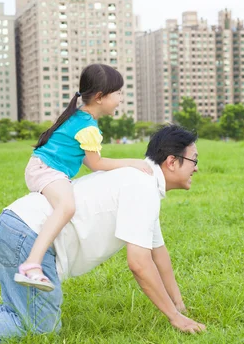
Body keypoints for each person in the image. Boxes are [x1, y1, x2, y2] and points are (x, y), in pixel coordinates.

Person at [0, 125, 205, 344]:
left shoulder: (139, 182)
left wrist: (179, 305)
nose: (196, 168)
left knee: (20, 316)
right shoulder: (143, 187)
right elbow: (139, 263)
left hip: (17, 224)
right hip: (30, 234)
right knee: (38, 330)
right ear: (172, 161)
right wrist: (174, 319)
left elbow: (157, 254)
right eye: (194, 160)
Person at [19, 64, 152, 292]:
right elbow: (97, 163)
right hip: (45, 170)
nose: (121, 98)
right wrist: (134, 162)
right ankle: (31, 264)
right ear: (100, 97)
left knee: (67, 206)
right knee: (66, 207)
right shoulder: (87, 126)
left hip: (45, 168)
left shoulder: (81, 118)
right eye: (118, 92)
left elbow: (91, 164)